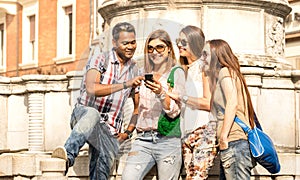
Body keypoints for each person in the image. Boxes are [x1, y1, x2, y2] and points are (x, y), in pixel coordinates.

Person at [51, 22, 143, 179]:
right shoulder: (100, 59)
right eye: (125, 43)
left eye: (133, 42)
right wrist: (125, 84)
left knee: (100, 171)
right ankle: (68, 156)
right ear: (114, 43)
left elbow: (138, 108)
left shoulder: (134, 69)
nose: (130, 47)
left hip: (108, 130)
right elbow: (92, 89)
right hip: (84, 117)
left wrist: (127, 133)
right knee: (93, 114)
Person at [121, 29, 185, 180]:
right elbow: (136, 109)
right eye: (150, 48)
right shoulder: (141, 73)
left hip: (168, 140)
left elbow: (174, 112)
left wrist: (161, 93)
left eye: (160, 47)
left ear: (169, 48)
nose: (154, 52)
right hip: (142, 139)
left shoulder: (176, 73)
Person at [167, 25, 217, 179]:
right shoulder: (184, 69)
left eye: (184, 41)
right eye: (178, 41)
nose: (179, 45)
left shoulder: (204, 67)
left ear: (195, 42)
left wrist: (181, 97)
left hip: (203, 130)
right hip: (186, 132)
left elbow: (208, 102)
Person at [202, 39, 256, 179]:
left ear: (216, 55)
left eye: (205, 54)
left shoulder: (225, 72)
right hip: (232, 143)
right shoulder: (228, 73)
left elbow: (232, 103)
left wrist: (224, 136)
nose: (203, 58)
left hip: (234, 141)